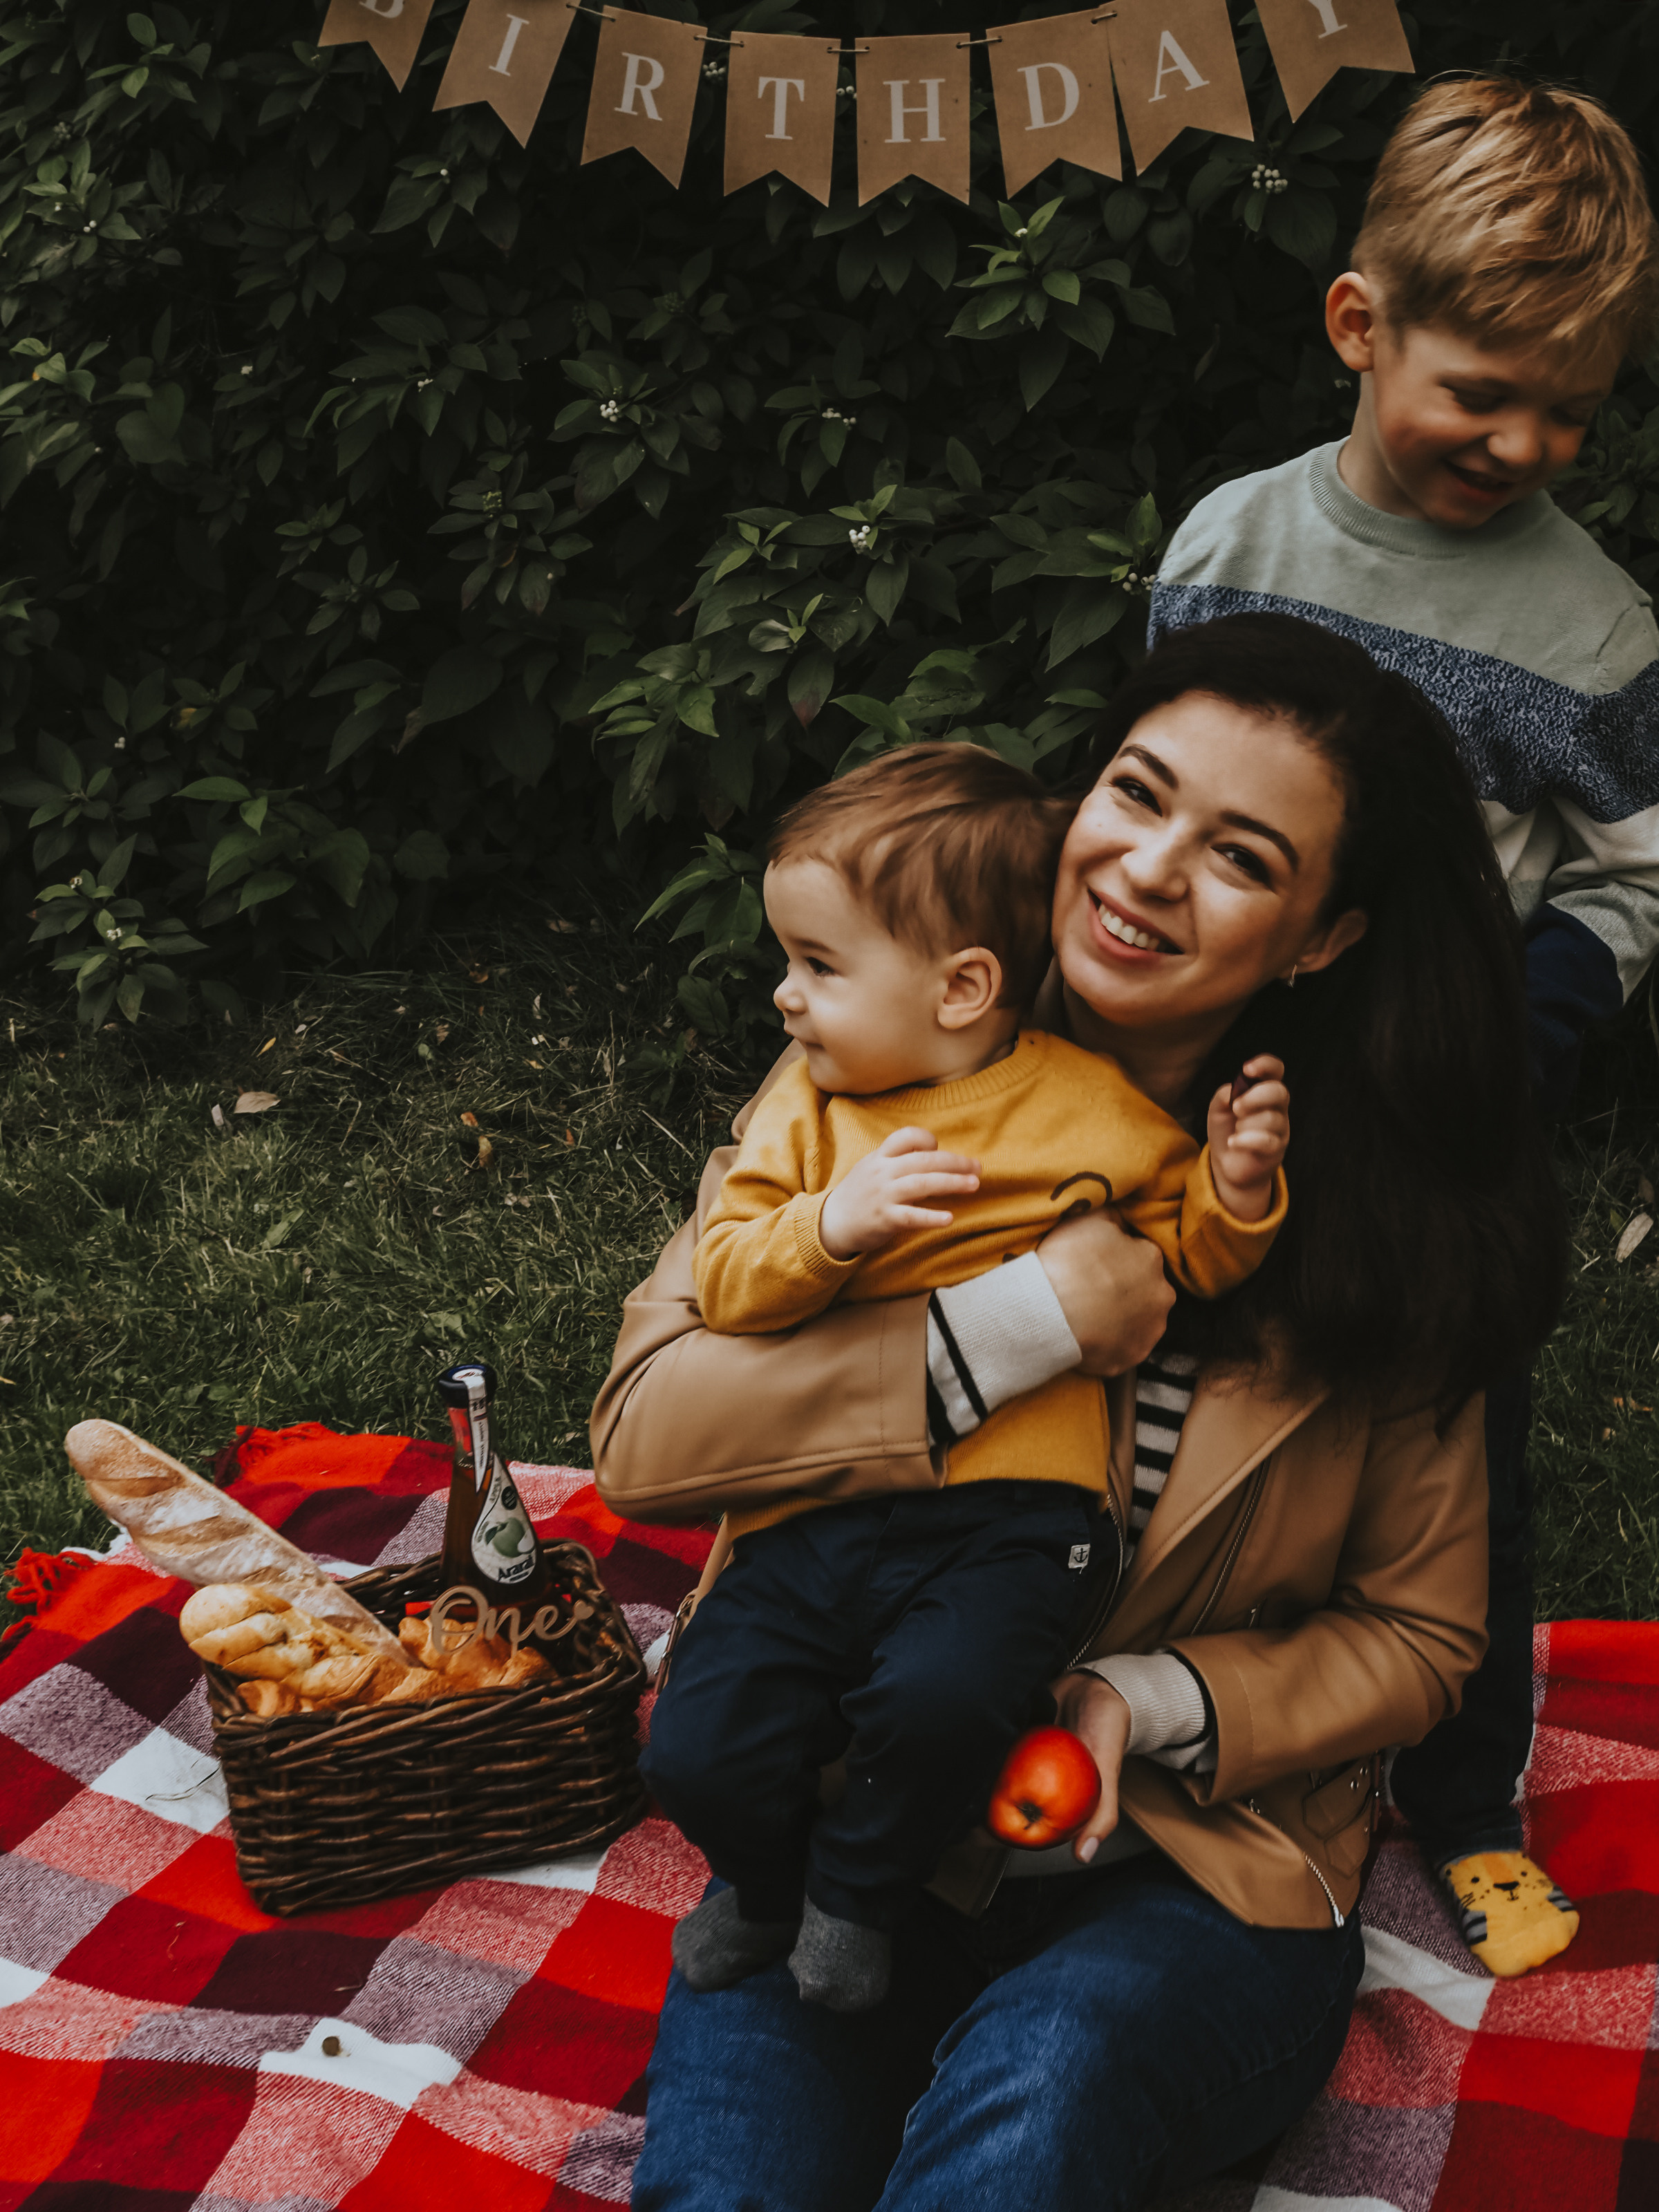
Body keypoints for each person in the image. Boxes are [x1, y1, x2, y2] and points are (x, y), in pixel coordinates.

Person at [592, 614, 1568, 2211]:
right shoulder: (879, 1057)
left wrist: (1150, 1699)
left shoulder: (1384, 1222)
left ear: (1324, 938)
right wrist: (1022, 1323)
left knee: (1031, 2122)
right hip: (862, 1822)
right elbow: (646, 1431)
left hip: (1191, 1866)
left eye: (1242, 855)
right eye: (1137, 791)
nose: (1147, 869)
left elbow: (1421, 1636)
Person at [1148, 75, 1659, 1979]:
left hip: (1451, 1109)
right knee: (1202, 1401)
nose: (1524, 442)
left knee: (1452, 1456)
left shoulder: (1594, 633)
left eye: (1572, 411)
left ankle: (1461, 1804)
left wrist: (1535, 1019)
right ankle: (1187, 1711)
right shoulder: (1231, 547)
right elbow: (1163, 778)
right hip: (1226, 1082)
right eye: (1482, 390)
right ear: (1363, 328)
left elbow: (1633, 870)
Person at [646, 744, 1294, 2011]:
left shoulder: (1089, 1110)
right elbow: (726, 1279)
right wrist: (833, 1228)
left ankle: (857, 1897)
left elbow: (1187, 1262)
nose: (785, 997)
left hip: (1017, 1516)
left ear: (963, 988)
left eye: (820, 968)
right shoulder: (811, 1113)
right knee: (698, 1742)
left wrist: (1237, 1188)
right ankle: (767, 1885)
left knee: (944, 1705)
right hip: (821, 1504)